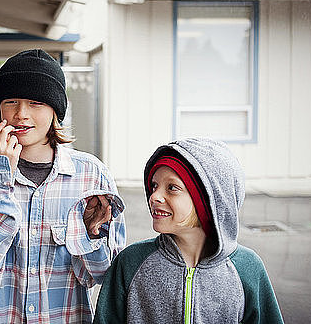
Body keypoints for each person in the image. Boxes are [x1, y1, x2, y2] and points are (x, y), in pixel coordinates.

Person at [0, 49, 126, 323]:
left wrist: (91, 234)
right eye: (11, 101)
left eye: (36, 103)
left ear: (55, 110)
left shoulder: (91, 175)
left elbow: (101, 275)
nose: (21, 114)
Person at [94, 138, 284, 324]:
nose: (154, 196)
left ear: (209, 200)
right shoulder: (130, 263)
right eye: (154, 186)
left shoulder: (247, 268)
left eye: (172, 188)